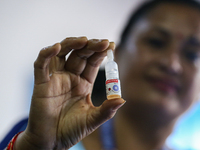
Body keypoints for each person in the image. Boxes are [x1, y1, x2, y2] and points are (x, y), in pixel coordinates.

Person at [5, 0, 200, 149]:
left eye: (192, 55)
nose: (172, 64)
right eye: (156, 42)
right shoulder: (40, 135)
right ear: (118, 52)